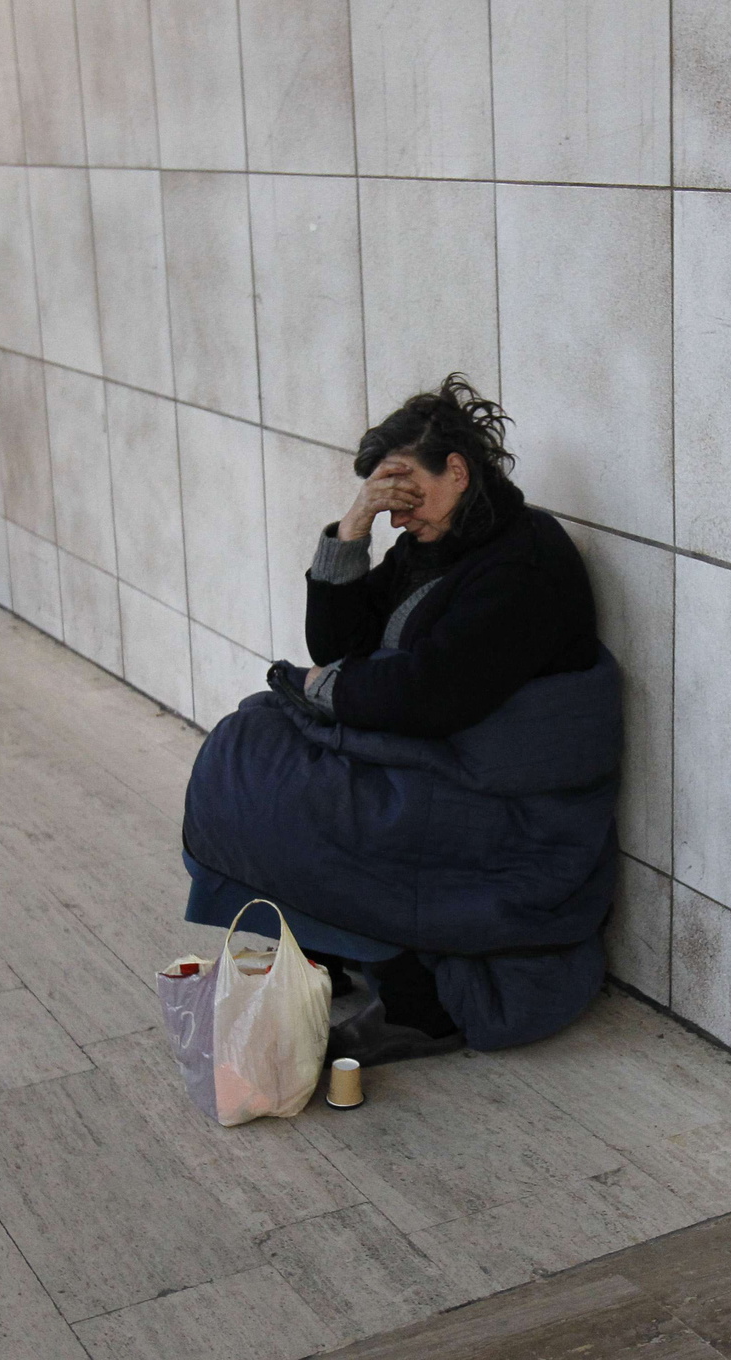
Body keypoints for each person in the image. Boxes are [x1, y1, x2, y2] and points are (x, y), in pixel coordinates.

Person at [180, 376, 623, 1066]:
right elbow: (339, 645)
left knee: (287, 793)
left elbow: (432, 693)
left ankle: (419, 1002)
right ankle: (327, 946)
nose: (399, 513)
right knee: (249, 743)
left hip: (501, 800)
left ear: (458, 469)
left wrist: (329, 688)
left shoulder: (523, 561)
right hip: (430, 754)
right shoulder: (435, 542)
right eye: (385, 497)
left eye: (406, 489)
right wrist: (351, 528)